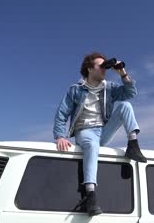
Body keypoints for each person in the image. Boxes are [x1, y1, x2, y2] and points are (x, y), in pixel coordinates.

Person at [53, 52, 147, 216]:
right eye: (101, 66)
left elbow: (130, 93)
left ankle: (133, 145)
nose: (105, 70)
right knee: (91, 145)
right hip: (85, 131)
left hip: (103, 131)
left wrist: (122, 73)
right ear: (89, 69)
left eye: (106, 66)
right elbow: (62, 113)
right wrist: (60, 136)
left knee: (125, 106)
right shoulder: (75, 90)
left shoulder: (108, 88)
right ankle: (90, 195)